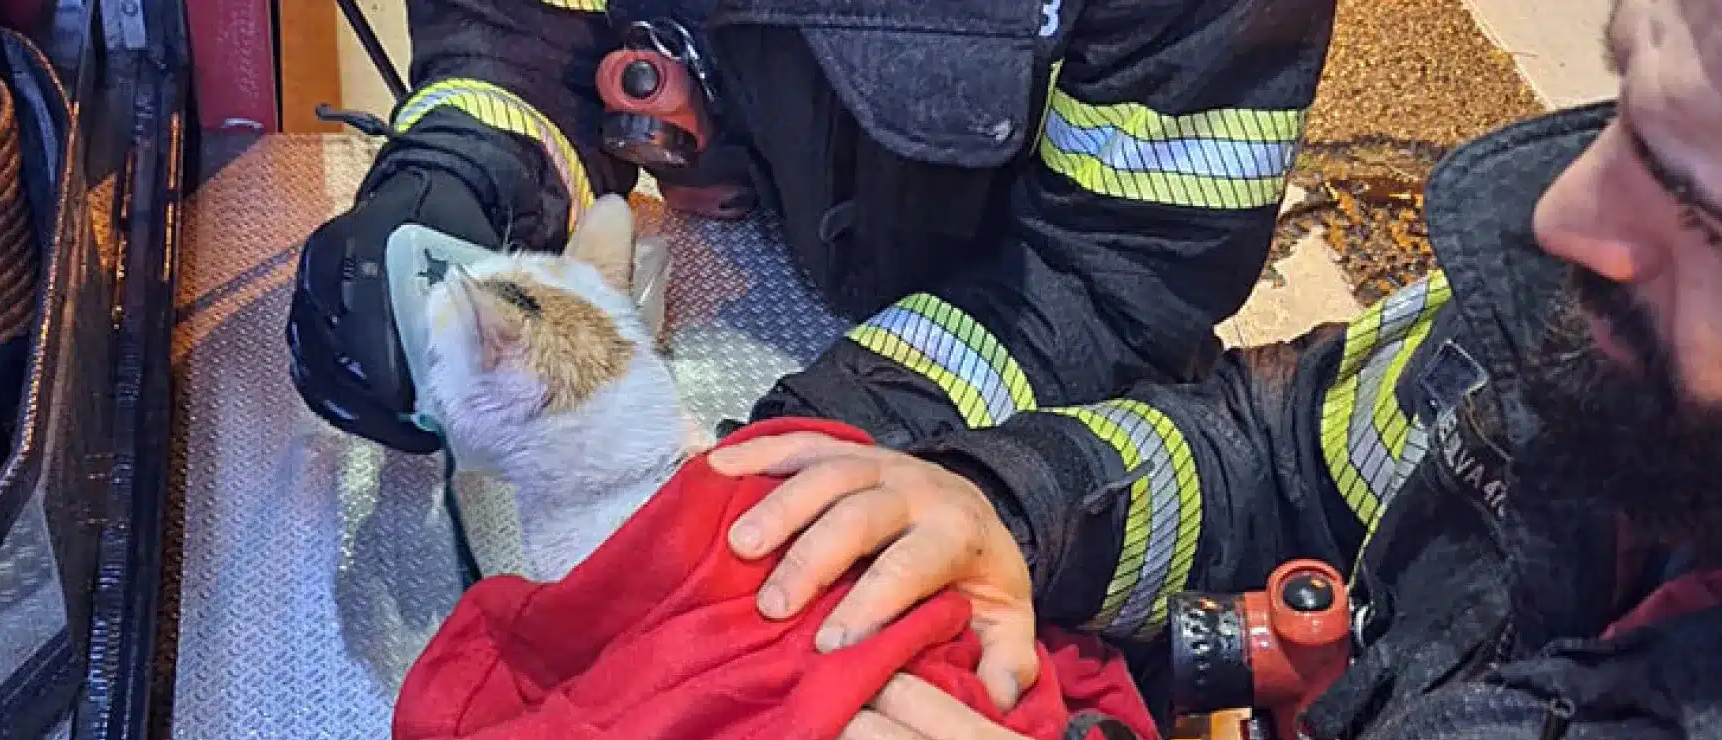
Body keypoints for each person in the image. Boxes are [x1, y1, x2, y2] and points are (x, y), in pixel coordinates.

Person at [710, 0, 1722, 740]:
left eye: (1713, 213)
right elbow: (1293, 446)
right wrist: (1023, 506)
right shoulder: (1618, 307)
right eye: (1626, 103)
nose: (1562, 217)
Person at [285, 0, 1336, 459]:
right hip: (747, 265)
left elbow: (1120, 271)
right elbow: (527, 31)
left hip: (1039, 372)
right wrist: (461, 174)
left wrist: (833, 432)